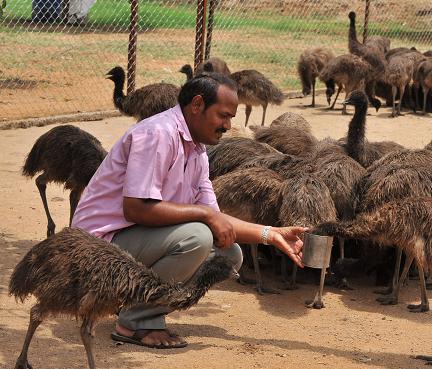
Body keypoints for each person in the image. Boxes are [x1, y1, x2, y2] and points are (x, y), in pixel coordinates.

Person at [71, 72, 306, 349]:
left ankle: (138, 309)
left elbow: (216, 218)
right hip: (94, 251)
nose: (229, 125)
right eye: (223, 115)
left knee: (227, 255)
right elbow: (136, 209)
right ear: (197, 105)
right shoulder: (157, 133)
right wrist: (204, 215)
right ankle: (135, 322)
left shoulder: (197, 150)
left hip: (129, 242)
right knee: (197, 238)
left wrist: (271, 234)